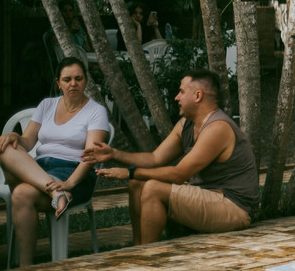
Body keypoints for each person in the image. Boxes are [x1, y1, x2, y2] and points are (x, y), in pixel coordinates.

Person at [82, 70, 257, 244]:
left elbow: (179, 174)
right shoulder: (186, 125)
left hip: (233, 207)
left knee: (152, 189)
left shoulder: (217, 128)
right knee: (137, 184)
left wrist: (130, 172)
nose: (176, 97)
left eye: (181, 92)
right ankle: (137, 248)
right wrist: (114, 153)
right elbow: (154, 158)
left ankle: (148, 253)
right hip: (207, 196)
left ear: (198, 96)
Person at [0, 57, 109, 267]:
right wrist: (14, 136)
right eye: (67, 79)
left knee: (20, 193)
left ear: (85, 81)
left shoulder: (96, 111)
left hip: (73, 172)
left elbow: (91, 156)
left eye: (78, 78)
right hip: (40, 170)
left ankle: (24, 269)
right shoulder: (47, 105)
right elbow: (27, 142)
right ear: (58, 83)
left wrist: (69, 183)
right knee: (4, 148)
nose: (73, 84)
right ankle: (55, 194)